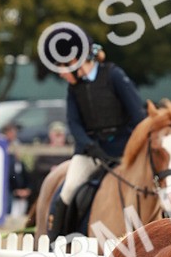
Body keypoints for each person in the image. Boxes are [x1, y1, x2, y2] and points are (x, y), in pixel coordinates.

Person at [48, 40, 144, 240]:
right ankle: (55, 242)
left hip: (123, 151)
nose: (60, 74)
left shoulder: (114, 75)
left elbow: (137, 114)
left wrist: (134, 146)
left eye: (62, 67)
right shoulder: (74, 89)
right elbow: (74, 123)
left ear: (75, 62)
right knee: (69, 189)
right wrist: (89, 146)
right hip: (90, 152)